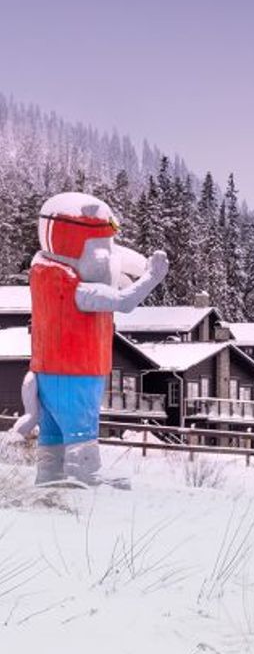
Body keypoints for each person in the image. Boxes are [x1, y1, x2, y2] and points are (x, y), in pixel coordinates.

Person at [17, 192, 167, 488]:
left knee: (53, 437)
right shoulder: (76, 290)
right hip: (77, 373)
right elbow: (124, 301)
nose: (108, 256)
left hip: (47, 371)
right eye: (101, 248)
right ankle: (85, 484)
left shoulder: (46, 276)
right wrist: (152, 276)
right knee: (81, 433)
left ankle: (50, 483)